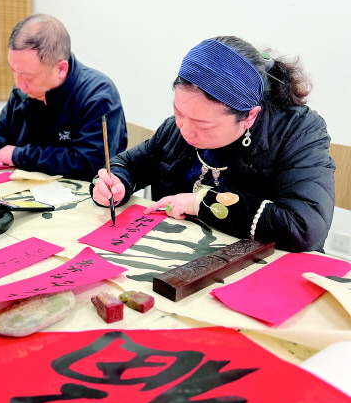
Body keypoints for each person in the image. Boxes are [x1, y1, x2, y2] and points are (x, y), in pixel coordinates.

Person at [91, 36, 335, 253]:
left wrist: (201, 203)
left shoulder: (298, 133)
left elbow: (305, 228)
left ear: (249, 116)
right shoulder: (179, 127)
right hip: (178, 259)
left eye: (203, 125)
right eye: (178, 112)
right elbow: (131, 164)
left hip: (258, 271)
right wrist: (116, 182)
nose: (184, 130)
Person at [0, 14, 128, 181]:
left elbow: (90, 163)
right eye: (14, 71)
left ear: (61, 69)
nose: (19, 84)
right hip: (26, 188)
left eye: (27, 76)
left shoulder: (97, 95)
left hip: (81, 193)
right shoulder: (22, 91)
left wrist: (20, 155)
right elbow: (5, 133)